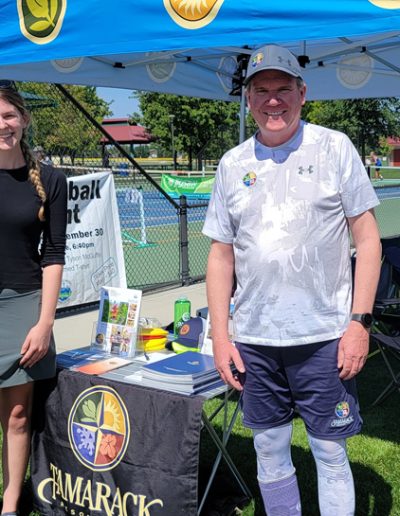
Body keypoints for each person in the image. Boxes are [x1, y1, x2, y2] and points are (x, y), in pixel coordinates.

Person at [203, 45, 381, 515]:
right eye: (262, 91)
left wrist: (359, 323)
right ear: (248, 100)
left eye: (284, 89)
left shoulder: (333, 147)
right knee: (269, 449)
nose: (273, 100)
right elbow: (221, 256)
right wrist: (222, 337)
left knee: (328, 451)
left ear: (303, 94)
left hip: (324, 335)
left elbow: (369, 239)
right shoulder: (232, 164)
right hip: (256, 339)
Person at [0, 81, 67, 515]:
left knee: (17, 417)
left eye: (8, 115)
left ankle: (10, 501)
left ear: (23, 119)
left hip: (24, 305)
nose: (2, 125)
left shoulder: (52, 180)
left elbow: (54, 254)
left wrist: (44, 322)